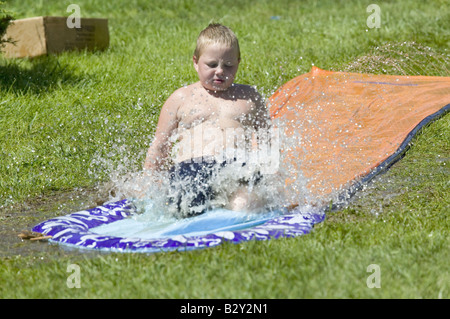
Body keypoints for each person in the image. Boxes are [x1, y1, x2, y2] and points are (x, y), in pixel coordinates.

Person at [143, 23, 272, 218]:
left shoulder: (249, 97)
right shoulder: (181, 98)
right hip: (192, 170)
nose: (220, 71)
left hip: (237, 169)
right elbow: (160, 145)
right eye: (212, 65)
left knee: (247, 206)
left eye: (228, 65)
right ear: (195, 62)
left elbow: (267, 140)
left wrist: (272, 182)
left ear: (238, 62)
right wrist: (150, 185)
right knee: (183, 208)